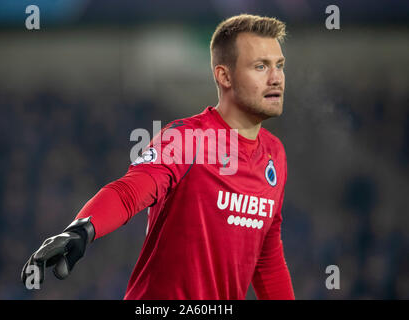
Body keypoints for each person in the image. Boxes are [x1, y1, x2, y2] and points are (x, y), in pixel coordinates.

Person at [21, 14, 295, 300]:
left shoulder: (275, 153)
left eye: (279, 66)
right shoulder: (188, 138)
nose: (275, 77)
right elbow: (132, 190)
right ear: (224, 76)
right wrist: (82, 229)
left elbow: (266, 256)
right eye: (261, 66)